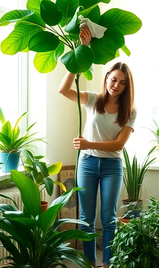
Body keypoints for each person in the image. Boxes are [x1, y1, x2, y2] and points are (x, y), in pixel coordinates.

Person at [58, 26, 136, 268]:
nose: (116, 85)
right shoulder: (92, 99)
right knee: (87, 219)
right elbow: (63, 90)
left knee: (109, 219)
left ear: (126, 87)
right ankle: (90, 263)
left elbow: (119, 144)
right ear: (106, 79)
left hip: (112, 165)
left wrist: (88, 143)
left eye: (122, 83)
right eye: (113, 79)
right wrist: (81, 50)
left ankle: (108, 264)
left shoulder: (130, 111)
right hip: (88, 164)